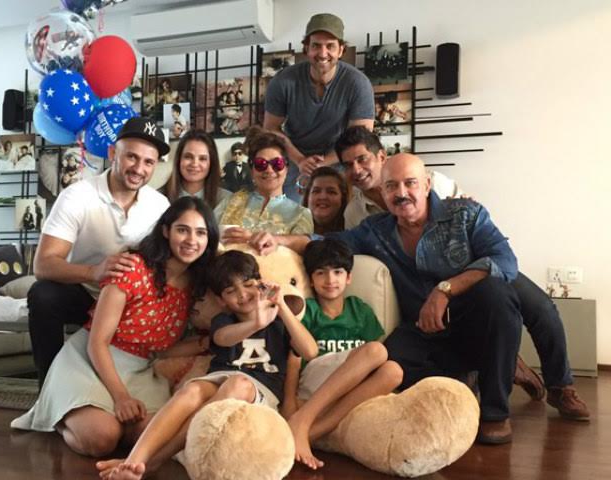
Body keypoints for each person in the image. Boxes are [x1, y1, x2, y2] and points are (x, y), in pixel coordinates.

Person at [249, 154, 526, 444]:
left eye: (410, 183)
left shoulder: (466, 213)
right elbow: (327, 243)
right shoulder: (376, 230)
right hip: (421, 329)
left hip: (472, 323)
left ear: (427, 185)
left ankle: (495, 412)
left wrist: (445, 290)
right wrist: (279, 240)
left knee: (498, 294)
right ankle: (460, 378)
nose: (401, 193)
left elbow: (504, 261)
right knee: (384, 369)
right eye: (391, 186)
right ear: (382, 191)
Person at [334, 126, 590, 422]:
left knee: (536, 306)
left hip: (473, 266)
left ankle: (560, 386)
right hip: (422, 284)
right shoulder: (356, 212)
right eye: (348, 164)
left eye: (362, 159)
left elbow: (479, 230)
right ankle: (489, 367)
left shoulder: (439, 184)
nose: (356, 169)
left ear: (381, 157)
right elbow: (348, 242)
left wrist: (447, 287)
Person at [12, 197, 219, 457]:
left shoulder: (197, 285)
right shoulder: (131, 267)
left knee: (150, 435)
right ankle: (56, 416)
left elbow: (163, 350)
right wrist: (121, 398)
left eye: (200, 233)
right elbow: (97, 342)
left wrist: (210, 342)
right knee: (102, 438)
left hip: (142, 369)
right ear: (166, 231)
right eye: (182, 230)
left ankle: (105, 420)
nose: (191, 240)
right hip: (91, 359)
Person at [100, 250, 318, 480]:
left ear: (260, 284)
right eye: (231, 291)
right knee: (191, 390)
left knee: (238, 384)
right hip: (218, 380)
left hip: (259, 391)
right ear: (221, 300)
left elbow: (310, 351)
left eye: (248, 285)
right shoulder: (223, 321)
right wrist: (255, 324)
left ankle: (156, 460)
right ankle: (134, 460)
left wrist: (280, 305)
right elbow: (223, 338)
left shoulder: (280, 321)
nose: (242, 295)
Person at [27, 117, 171, 387]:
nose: (139, 168)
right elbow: (43, 265)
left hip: (130, 303)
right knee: (42, 294)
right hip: (86, 295)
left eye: (148, 162)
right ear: (113, 153)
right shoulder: (77, 196)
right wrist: (94, 271)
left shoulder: (160, 205)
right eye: (131, 157)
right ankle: (49, 388)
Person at [283, 238, 403, 469]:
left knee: (394, 372)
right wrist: (289, 402)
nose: (330, 280)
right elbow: (294, 360)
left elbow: (374, 363)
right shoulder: (308, 311)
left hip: (348, 387)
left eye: (337, 272)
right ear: (311, 279)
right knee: (376, 351)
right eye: (321, 273)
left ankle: (312, 433)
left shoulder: (360, 309)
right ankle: (302, 419)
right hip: (314, 384)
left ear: (348, 277)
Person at [263, 13, 374, 201]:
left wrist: (322, 163)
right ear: (306, 48)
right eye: (316, 46)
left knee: (341, 212)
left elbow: (360, 136)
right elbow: (270, 128)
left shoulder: (358, 84)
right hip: (294, 157)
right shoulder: (282, 81)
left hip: (339, 157)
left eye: (330, 46)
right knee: (287, 212)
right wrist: (300, 160)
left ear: (341, 50)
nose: (322, 54)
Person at [215, 131, 313, 243]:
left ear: (286, 169)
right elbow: (208, 233)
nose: (269, 170)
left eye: (277, 163)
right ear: (252, 170)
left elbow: (304, 247)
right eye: (261, 164)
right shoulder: (231, 202)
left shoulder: (300, 214)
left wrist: (254, 238)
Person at [164, 130, 230, 209]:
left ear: (212, 162)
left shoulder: (227, 201)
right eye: (188, 157)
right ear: (179, 160)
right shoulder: (158, 199)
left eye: (202, 158)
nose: (195, 164)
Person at [301, 166, 349, 234]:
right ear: (307, 198)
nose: (323, 197)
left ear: (342, 198)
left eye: (331, 192)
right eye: (316, 191)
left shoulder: (353, 231)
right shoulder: (290, 229)